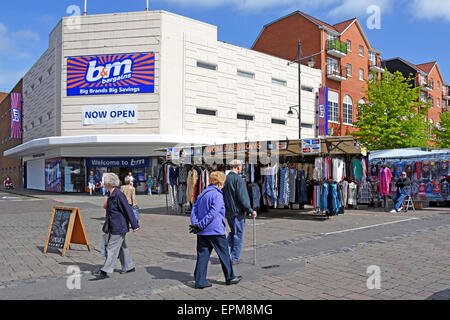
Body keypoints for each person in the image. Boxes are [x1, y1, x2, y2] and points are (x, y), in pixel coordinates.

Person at [190, 171, 242, 289]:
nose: (223, 186)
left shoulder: (202, 194)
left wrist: (196, 224)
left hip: (202, 231)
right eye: (223, 183)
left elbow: (194, 210)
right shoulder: (217, 195)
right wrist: (201, 224)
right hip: (215, 230)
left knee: (202, 255)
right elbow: (213, 213)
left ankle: (200, 281)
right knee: (224, 254)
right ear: (220, 183)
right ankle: (230, 277)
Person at [92, 173, 139, 280]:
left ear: (108, 183)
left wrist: (134, 225)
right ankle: (129, 267)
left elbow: (128, 210)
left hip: (119, 226)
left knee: (111, 247)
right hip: (114, 225)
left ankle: (105, 270)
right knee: (122, 247)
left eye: (104, 181)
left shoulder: (119, 195)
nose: (103, 183)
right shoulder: (111, 194)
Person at [222, 159, 257, 265]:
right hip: (237, 212)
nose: (241, 168)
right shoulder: (239, 179)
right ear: (237, 167)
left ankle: (226, 253)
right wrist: (250, 210)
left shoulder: (225, 179)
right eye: (241, 166)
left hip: (228, 212)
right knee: (238, 235)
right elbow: (243, 198)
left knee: (233, 232)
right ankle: (235, 258)